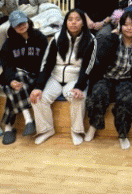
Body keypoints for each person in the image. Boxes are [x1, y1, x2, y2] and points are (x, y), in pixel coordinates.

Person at [85, 11, 132, 149]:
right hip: (107, 77)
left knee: (126, 100)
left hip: (126, 80)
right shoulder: (113, 39)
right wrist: (112, 37)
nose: (129, 28)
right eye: (125, 25)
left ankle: (123, 134)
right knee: (98, 93)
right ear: (120, 26)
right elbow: (101, 58)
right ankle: (93, 125)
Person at [30, 8, 98, 145]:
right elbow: (47, 64)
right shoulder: (56, 38)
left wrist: (79, 87)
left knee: (77, 97)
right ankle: (46, 130)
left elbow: (88, 67)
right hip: (55, 78)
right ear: (65, 22)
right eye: (70, 19)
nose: (73, 22)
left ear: (83, 23)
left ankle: (76, 131)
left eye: (77, 19)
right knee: (37, 97)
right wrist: (38, 86)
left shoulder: (91, 40)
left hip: (75, 79)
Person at [0, 10, 50, 144]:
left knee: (13, 89)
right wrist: (11, 80)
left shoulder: (40, 38)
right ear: (12, 26)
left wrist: (40, 83)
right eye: (17, 24)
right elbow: (7, 65)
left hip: (34, 77)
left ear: (28, 21)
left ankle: (9, 127)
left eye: (22, 22)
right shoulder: (9, 43)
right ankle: (28, 120)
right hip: (16, 77)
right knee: (16, 80)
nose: (21, 26)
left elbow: (46, 63)